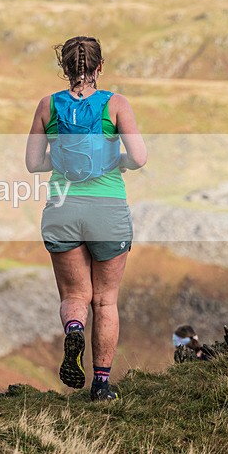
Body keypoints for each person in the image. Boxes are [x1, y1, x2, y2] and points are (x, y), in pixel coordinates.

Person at [25, 36, 147, 401]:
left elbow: (33, 163)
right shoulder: (116, 105)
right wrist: (118, 161)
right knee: (106, 300)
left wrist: (61, 162)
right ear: (99, 68)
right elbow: (139, 157)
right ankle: (102, 384)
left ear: (65, 69)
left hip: (63, 210)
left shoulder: (48, 106)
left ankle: (74, 328)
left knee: (75, 294)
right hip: (107, 209)